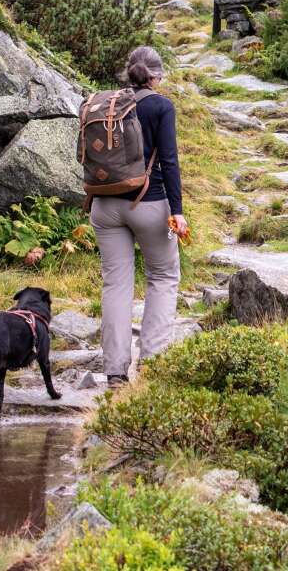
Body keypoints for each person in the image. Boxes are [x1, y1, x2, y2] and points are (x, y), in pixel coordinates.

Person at [91, 45, 186, 387]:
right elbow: (170, 162)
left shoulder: (107, 103)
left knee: (115, 283)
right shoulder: (161, 106)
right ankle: (153, 363)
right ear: (156, 76)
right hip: (149, 203)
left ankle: (115, 372)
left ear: (128, 72)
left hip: (104, 205)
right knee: (162, 276)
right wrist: (177, 211)